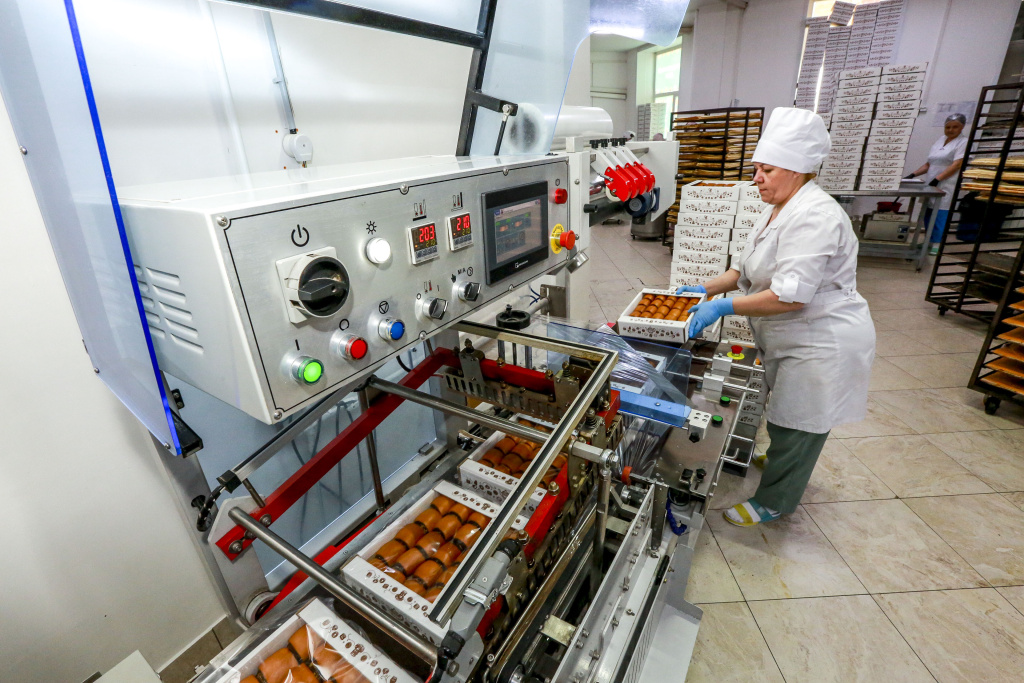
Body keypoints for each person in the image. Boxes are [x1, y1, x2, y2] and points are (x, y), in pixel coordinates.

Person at [676, 107, 876, 527]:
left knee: (801, 418)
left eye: (766, 170)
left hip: (820, 337)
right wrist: (705, 289)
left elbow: (790, 297)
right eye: (756, 169)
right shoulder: (777, 208)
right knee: (784, 409)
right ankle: (783, 454)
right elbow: (744, 269)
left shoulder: (815, 216)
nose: (756, 179)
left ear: (797, 170)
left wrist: (723, 307)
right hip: (789, 335)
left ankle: (776, 499)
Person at [904, 113, 968, 253]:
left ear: (962, 127)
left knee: (940, 213)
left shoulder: (963, 142)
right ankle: (929, 240)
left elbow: (957, 164)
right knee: (928, 212)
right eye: (948, 127)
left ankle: (936, 244)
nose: (950, 130)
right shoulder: (940, 140)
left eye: (955, 127)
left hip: (947, 183)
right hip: (931, 183)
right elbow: (929, 163)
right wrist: (913, 174)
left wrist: (938, 179)